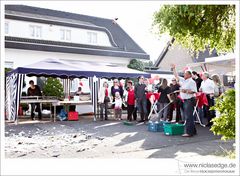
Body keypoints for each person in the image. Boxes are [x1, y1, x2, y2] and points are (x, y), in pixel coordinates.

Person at [171, 64, 197, 137]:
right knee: (189, 116)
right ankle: (193, 131)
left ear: (189, 75)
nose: (184, 75)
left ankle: (189, 133)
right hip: (185, 100)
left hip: (189, 100)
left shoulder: (191, 82)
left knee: (188, 117)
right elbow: (176, 76)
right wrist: (174, 68)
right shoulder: (184, 80)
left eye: (185, 74)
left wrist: (184, 91)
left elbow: (194, 91)